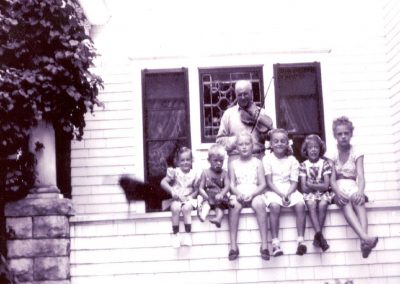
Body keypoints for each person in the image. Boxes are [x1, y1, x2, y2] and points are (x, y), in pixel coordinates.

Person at [327, 116, 378, 258]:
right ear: (334, 135)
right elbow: (331, 179)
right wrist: (337, 192)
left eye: (346, 133)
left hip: (352, 185)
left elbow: (360, 175)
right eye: (339, 134)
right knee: (345, 201)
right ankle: (366, 238)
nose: (343, 137)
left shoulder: (357, 151)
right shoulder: (331, 153)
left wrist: (360, 191)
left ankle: (364, 242)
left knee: (358, 200)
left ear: (351, 133)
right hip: (337, 187)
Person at [263, 128, 307, 257]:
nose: (279, 143)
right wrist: (281, 195)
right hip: (273, 190)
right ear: (271, 144)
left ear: (288, 143)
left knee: (300, 204)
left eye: (283, 141)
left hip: (289, 189)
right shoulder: (267, 159)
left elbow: (294, 182)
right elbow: (269, 182)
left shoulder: (292, 160)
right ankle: (275, 243)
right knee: (275, 206)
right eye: (275, 141)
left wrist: (287, 194)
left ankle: (301, 241)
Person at [227, 132, 269, 261]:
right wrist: (238, 194)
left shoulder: (257, 162)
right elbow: (232, 184)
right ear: (237, 148)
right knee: (233, 204)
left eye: (247, 144)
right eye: (241, 144)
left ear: (252, 146)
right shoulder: (233, 164)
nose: (244, 147)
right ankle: (233, 245)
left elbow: (263, 184)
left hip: (254, 191)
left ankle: (265, 245)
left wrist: (253, 194)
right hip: (239, 193)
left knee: (260, 204)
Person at [216, 80, 273, 162]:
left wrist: (266, 128)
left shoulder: (262, 112)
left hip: (258, 158)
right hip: (236, 159)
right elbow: (219, 141)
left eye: (245, 94)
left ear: (251, 93)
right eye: (239, 95)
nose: (242, 97)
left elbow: (271, 137)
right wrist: (237, 140)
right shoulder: (228, 114)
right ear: (236, 95)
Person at [299, 134, 332, 252]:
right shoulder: (303, 165)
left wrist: (311, 185)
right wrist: (317, 186)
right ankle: (320, 237)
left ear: (320, 149)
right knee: (312, 204)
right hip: (310, 195)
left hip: (323, 194)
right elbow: (303, 187)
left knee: (323, 204)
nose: (313, 150)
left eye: (316, 147)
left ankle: (318, 236)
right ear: (306, 150)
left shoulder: (325, 164)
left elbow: (326, 185)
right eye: (310, 147)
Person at [160, 147, 198, 248]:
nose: (185, 162)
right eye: (182, 160)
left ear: (191, 160)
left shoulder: (194, 174)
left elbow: (197, 189)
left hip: (189, 199)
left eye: (187, 160)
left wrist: (189, 198)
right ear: (178, 162)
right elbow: (163, 183)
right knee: (175, 207)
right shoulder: (175, 172)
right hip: (176, 199)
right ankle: (176, 234)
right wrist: (173, 192)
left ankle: (188, 235)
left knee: (186, 208)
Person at [198, 144, 231, 228]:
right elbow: (201, 188)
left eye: (221, 161)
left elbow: (227, 186)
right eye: (215, 160)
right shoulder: (205, 173)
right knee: (205, 205)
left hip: (219, 197)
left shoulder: (224, 173)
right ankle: (203, 216)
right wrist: (207, 197)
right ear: (209, 160)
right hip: (208, 196)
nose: (218, 163)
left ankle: (218, 218)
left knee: (220, 206)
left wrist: (222, 194)